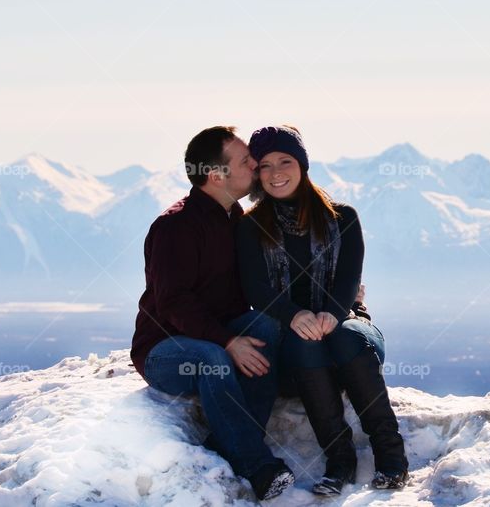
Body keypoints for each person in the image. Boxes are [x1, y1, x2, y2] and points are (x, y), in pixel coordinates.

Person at [236, 125, 409, 496]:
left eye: (285, 161)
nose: (276, 172)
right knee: (303, 344)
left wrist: (332, 312)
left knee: (346, 337)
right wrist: (294, 315)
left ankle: (391, 457)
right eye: (265, 165)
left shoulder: (341, 217)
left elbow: (349, 278)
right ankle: (340, 461)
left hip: (347, 321)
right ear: (257, 173)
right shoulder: (250, 226)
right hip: (292, 336)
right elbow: (256, 288)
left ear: (302, 164)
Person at [130, 126, 294, 501]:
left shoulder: (237, 218)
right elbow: (173, 303)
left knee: (264, 327)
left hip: (219, 335)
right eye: (246, 161)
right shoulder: (176, 226)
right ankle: (258, 467)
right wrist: (227, 341)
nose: (256, 166)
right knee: (212, 357)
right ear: (216, 175)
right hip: (164, 350)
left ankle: (222, 447)